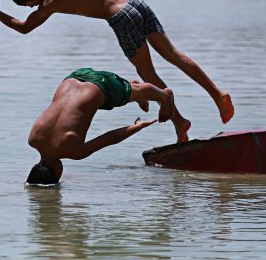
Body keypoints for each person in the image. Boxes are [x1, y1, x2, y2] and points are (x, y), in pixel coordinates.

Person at [0, 0, 234, 143]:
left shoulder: (51, 1)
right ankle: (217, 94)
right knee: (173, 54)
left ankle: (180, 122)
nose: (33, 7)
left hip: (121, 16)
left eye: (30, 3)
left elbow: (24, 28)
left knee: (147, 73)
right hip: (134, 2)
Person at [25, 68, 175, 186]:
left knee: (118, 95)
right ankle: (133, 90)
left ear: (57, 173)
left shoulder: (74, 152)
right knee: (102, 101)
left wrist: (137, 126)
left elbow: (111, 138)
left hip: (100, 86)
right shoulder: (33, 139)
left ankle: (163, 95)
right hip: (73, 78)